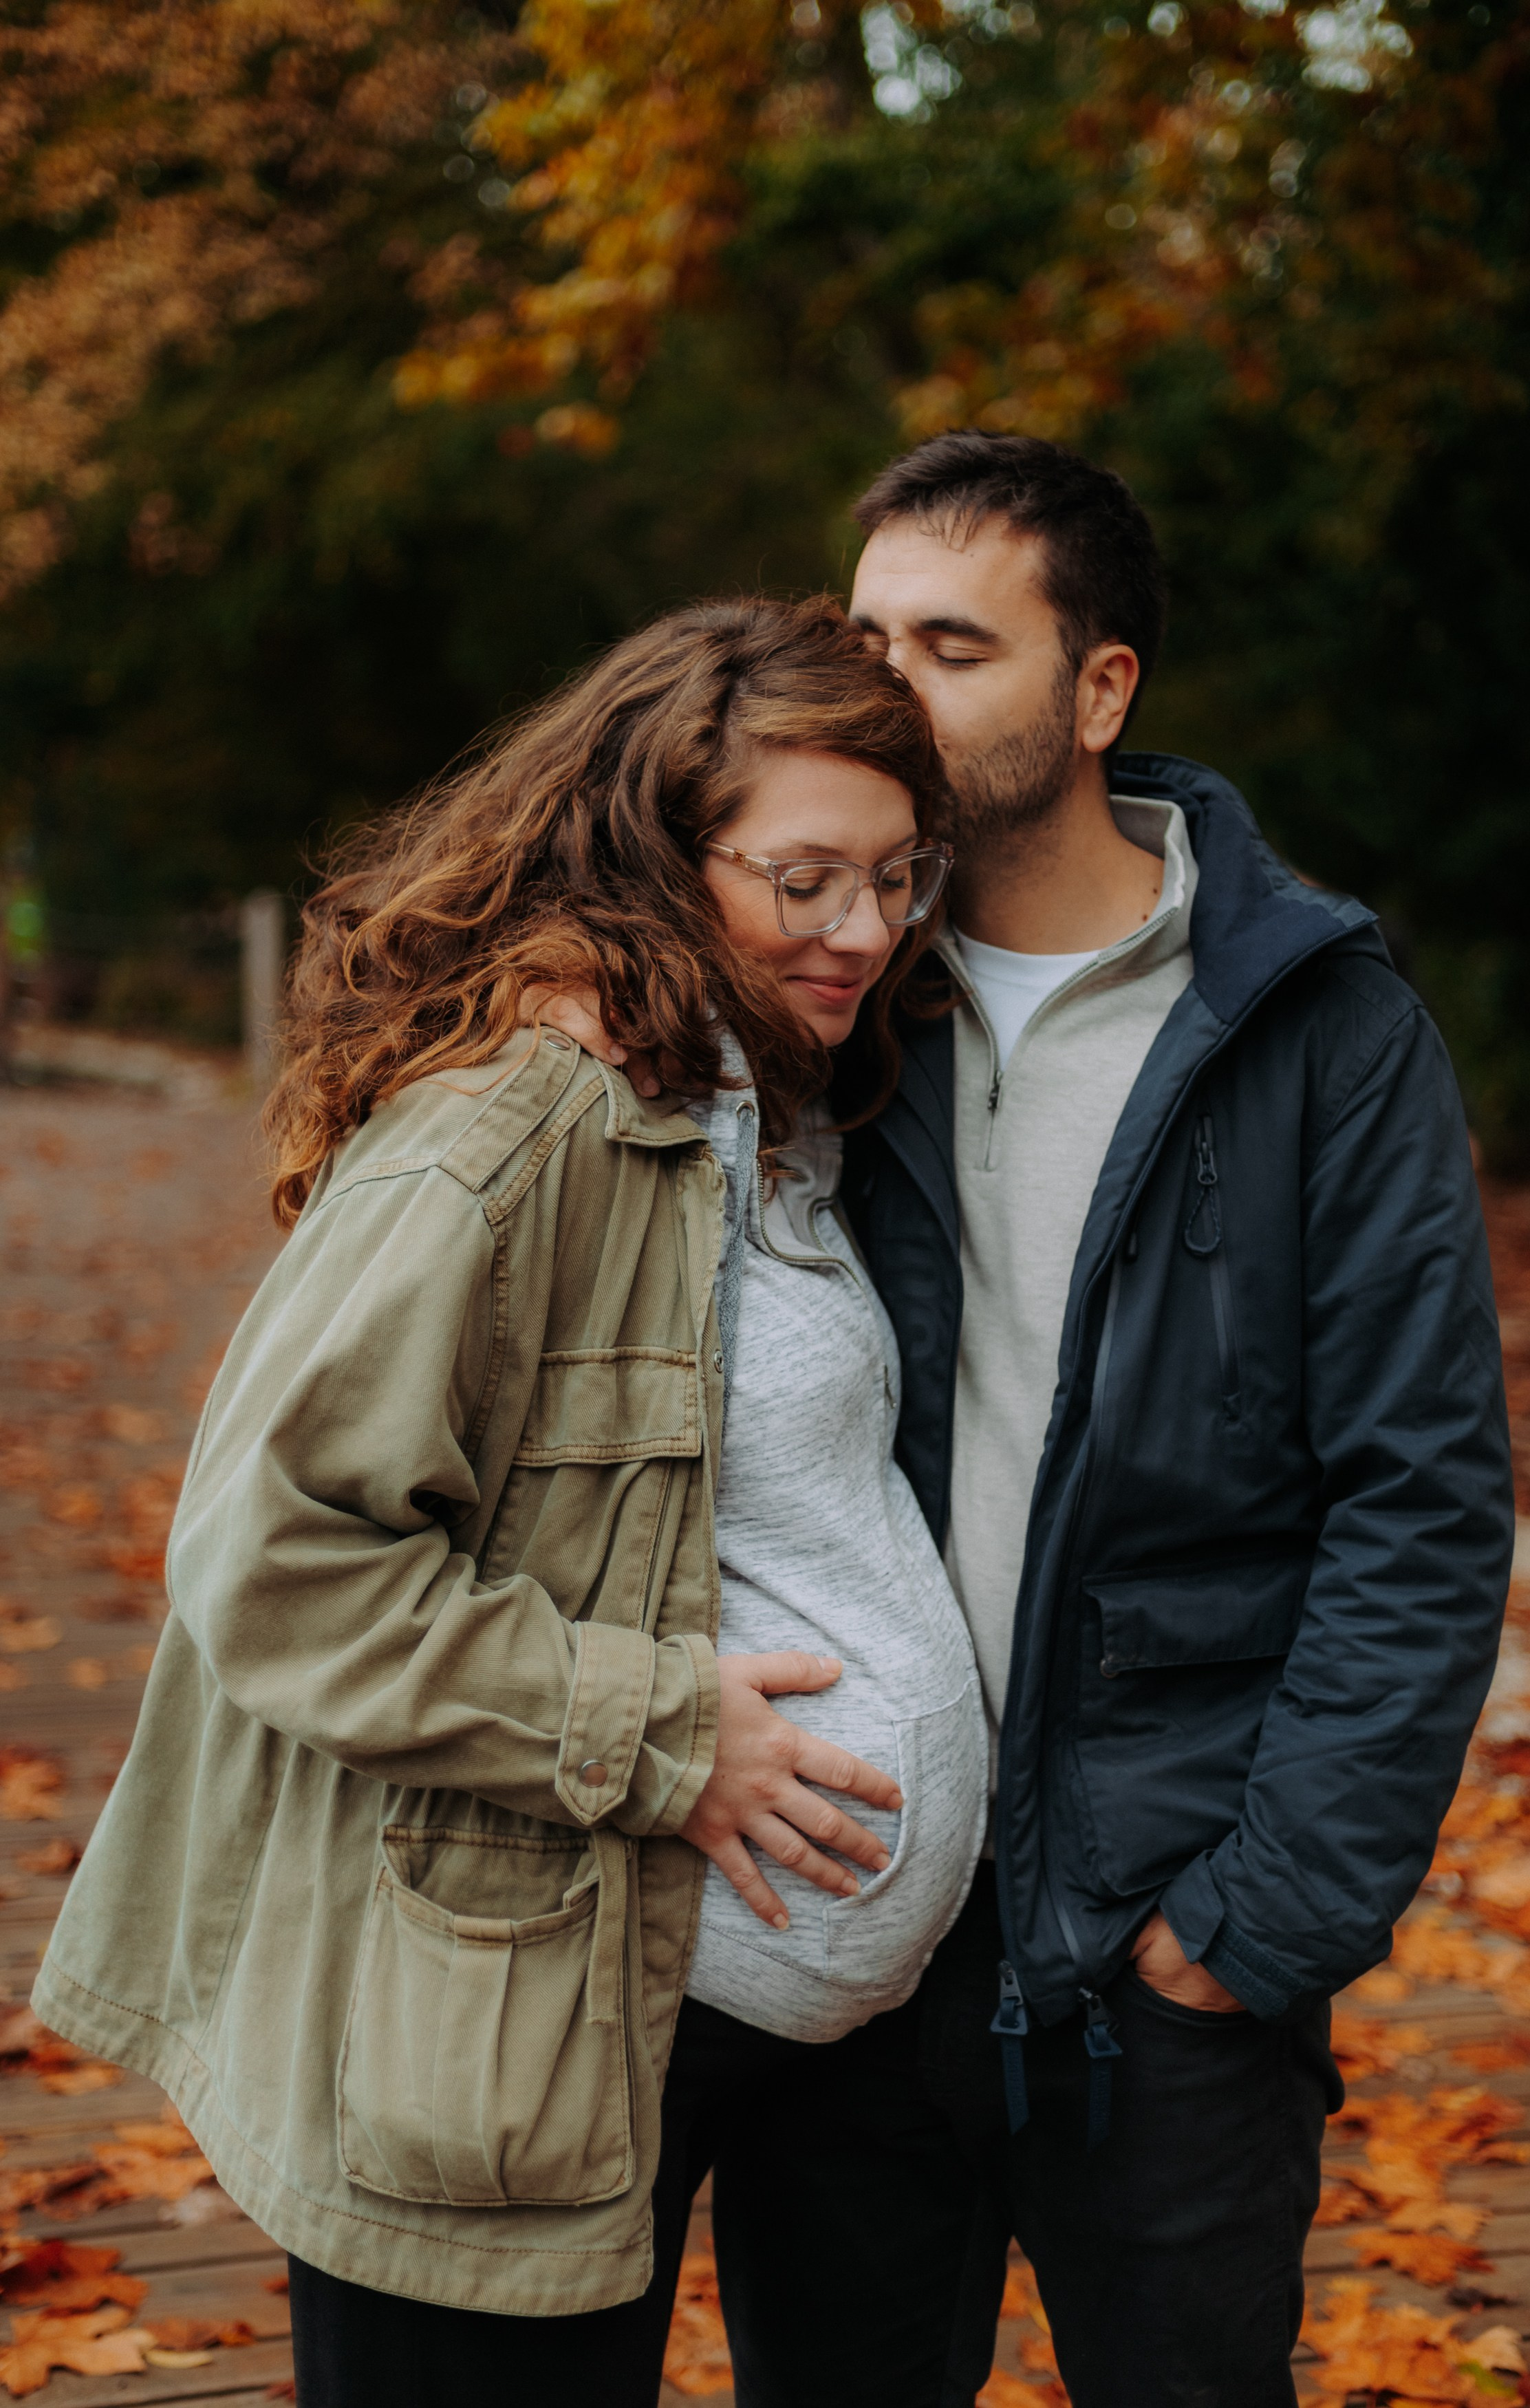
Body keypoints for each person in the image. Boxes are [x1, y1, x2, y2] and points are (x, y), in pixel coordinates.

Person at [558, 433, 1515, 2407]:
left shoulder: (1313, 1026)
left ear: (1100, 691)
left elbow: (1418, 1499)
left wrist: (1263, 1920)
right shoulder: (814, 992)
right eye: (869, 631)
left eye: (955, 643)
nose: (885, 683)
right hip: (832, 1913)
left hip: (1166, 1947)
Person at [32, 594, 989, 2408]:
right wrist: (653, 1727)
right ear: (656, 844)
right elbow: (277, 1557)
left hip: (814, 2027)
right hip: (517, 2011)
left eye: (896, 878)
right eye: (807, 879)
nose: (862, 930)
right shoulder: (512, 1129)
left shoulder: (770, 1102)